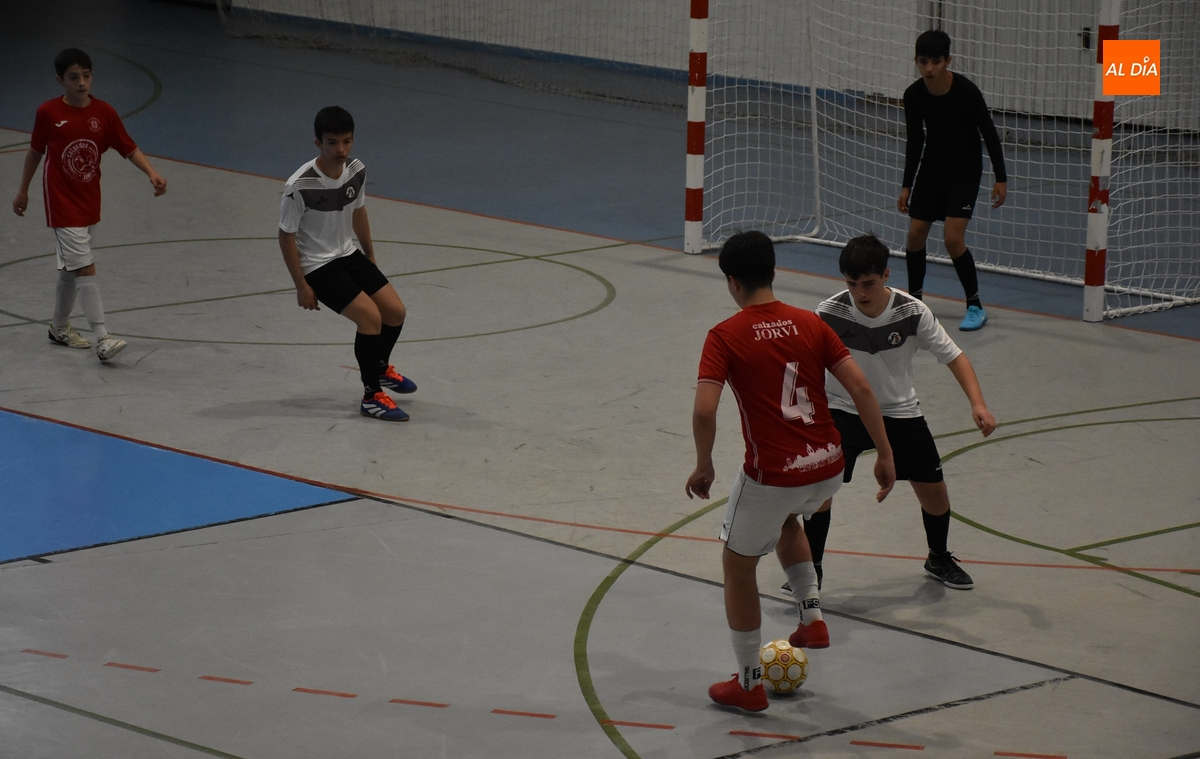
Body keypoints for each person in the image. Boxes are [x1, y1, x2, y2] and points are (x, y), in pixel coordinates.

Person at [685, 231, 896, 713]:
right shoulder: (811, 323)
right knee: (787, 519)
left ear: (733, 282)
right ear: (774, 271)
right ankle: (812, 619)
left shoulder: (724, 335)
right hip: (828, 467)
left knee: (738, 565)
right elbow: (862, 388)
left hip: (776, 475)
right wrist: (884, 454)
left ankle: (748, 683)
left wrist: (703, 463)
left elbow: (704, 410)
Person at [782, 233, 996, 596]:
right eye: (852, 284)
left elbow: (954, 357)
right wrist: (799, 414)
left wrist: (978, 403)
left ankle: (938, 557)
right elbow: (800, 366)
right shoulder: (829, 312)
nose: (860, 293)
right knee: (821, 491)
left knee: (934, 491)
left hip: (899, 411)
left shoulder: (912, 312)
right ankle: (811, 569)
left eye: (868, 283)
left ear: (886, 275)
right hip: (843, 408)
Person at [11, 48, 168, 362]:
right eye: (73, 77)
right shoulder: (48, 113)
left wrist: (151, 172)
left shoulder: (104, 113)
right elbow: (35, 152)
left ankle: (58, 328)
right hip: (61, 203)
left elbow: (127, 147)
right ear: (60, 81)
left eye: (86, 75)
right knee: (85, 266)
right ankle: (102, 337)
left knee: (70, 270)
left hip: (89, 201)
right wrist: (23, 191)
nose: (81, 82)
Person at [278, 106, 416, 422]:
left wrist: (370, 256)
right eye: (332, 142)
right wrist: (301, 285)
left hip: (347, 254)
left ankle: (378, 368)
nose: (340, 150)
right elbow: (286, 237)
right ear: (318, 143)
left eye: (346, 141)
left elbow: (358, 211)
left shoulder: (356, 170)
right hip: (317, 265)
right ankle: (371, 397)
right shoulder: (299, 185)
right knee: (370, 318)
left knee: (395, 312)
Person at [899, 29, 1007, 332]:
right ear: (916, 61)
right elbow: (915, 141)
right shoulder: (913, 95)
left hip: (965, 171)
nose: (929, 68)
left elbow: (989, 133)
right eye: (923, 62)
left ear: (948, 60)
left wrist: (1001, 178)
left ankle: (975, 305)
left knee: (952, 239)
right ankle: (915, 304)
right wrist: (907, 185)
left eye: (936, 61)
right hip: (932, 170)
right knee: (915, 234)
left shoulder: (966, 91)